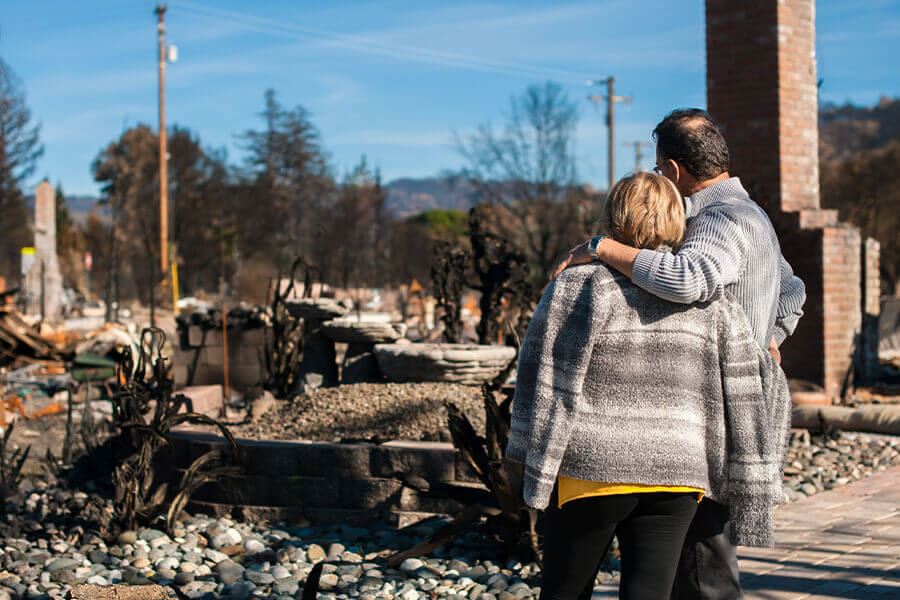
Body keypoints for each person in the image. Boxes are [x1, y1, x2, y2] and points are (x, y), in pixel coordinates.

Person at [553, 108, 806, 598]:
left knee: (702, 566)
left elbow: (685, 280)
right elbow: (792, 289)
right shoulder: (752, 216)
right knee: (701, 555)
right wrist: (770, 337)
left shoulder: (719, 220)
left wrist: (603, 249)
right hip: (733, 399)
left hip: (720, 406)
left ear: (671, 169)